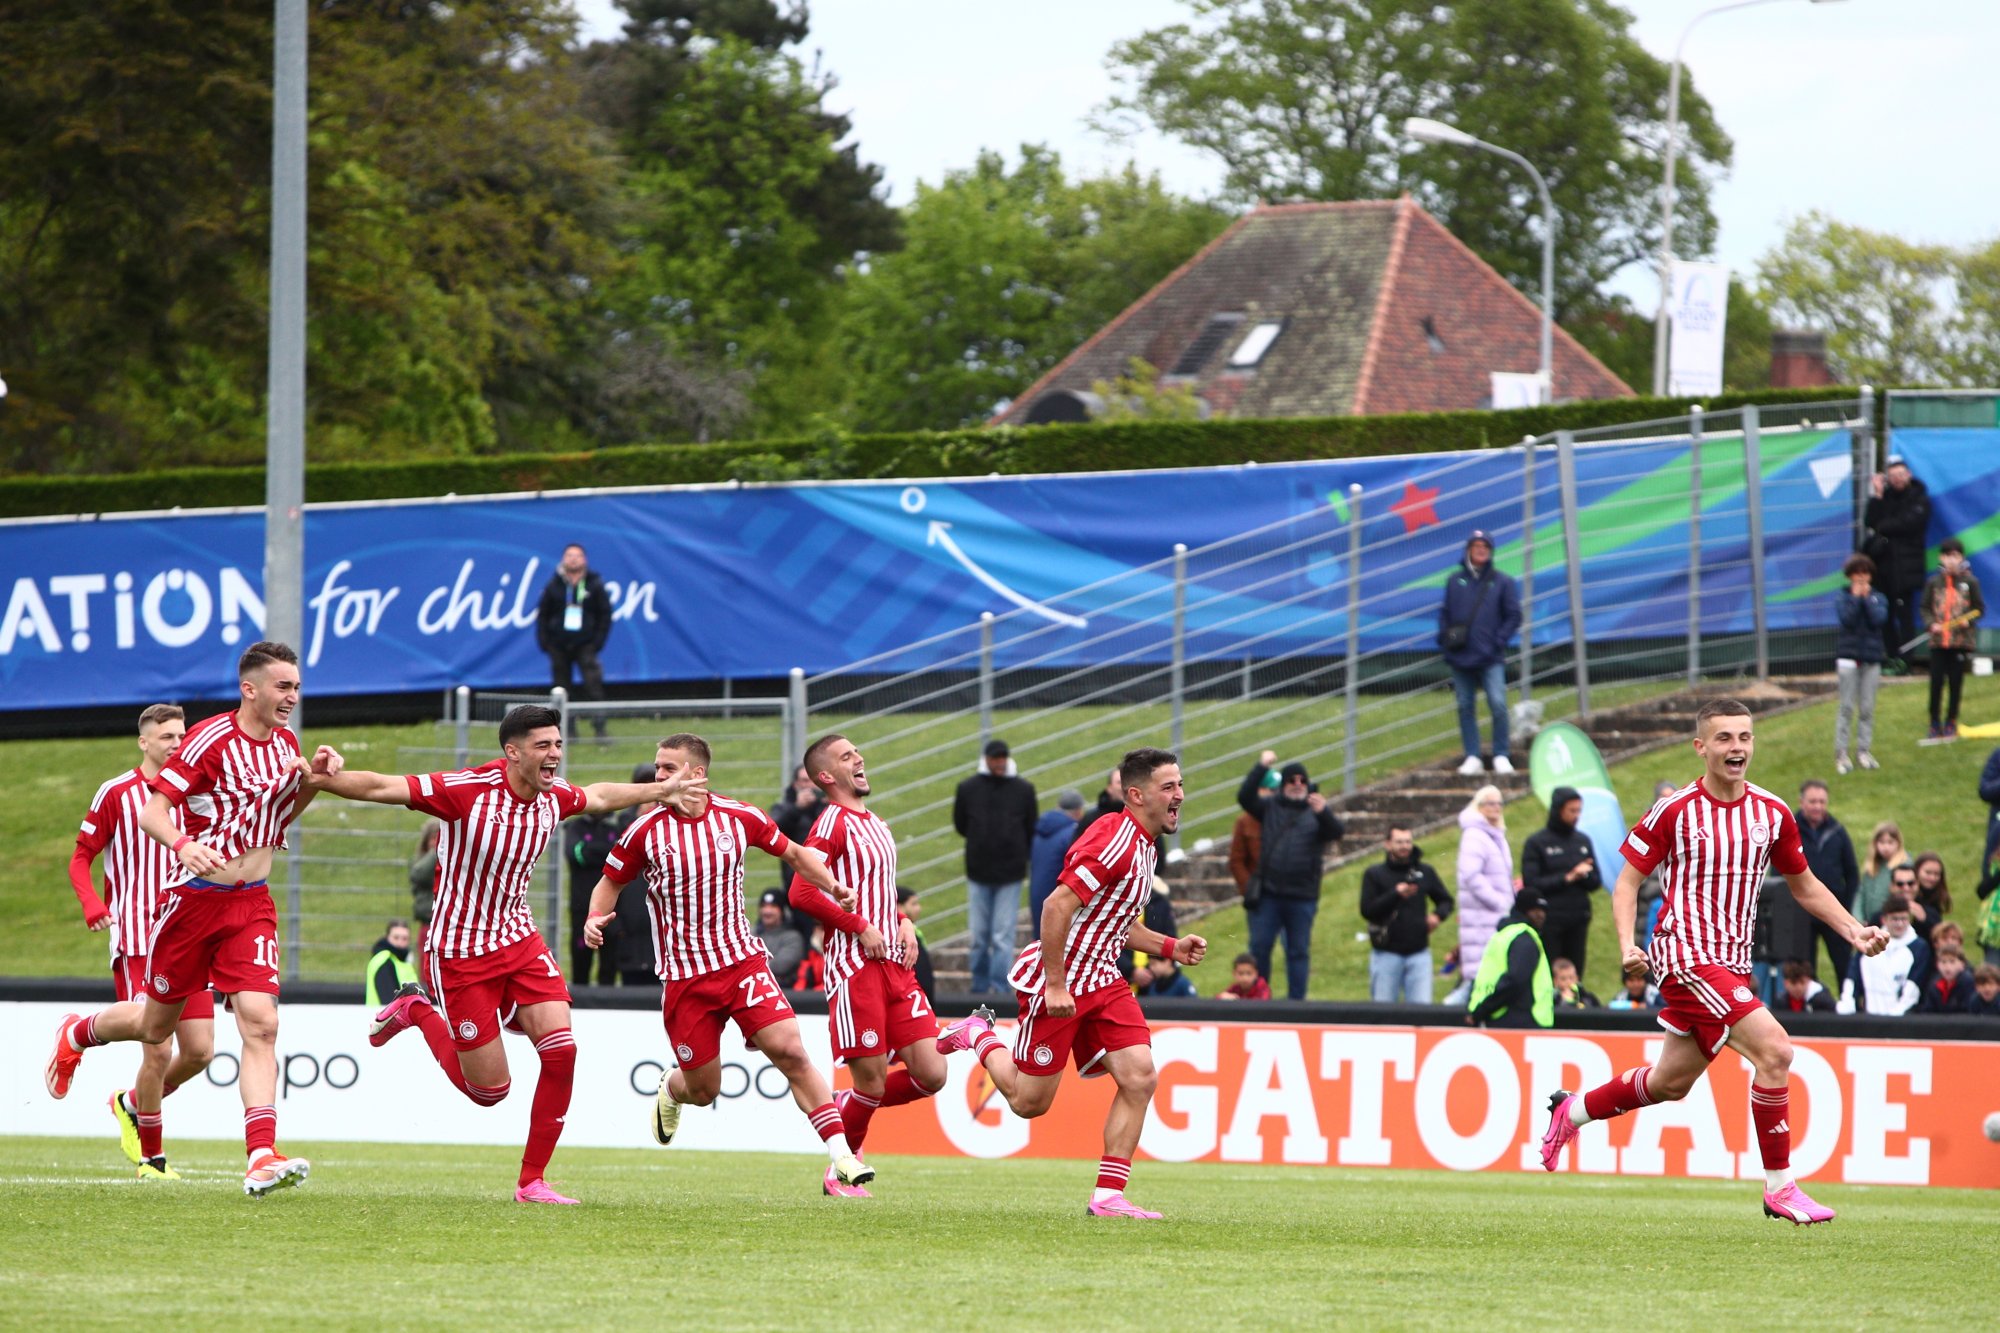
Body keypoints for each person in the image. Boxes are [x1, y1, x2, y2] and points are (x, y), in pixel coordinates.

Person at [304, 704, 703, 1205]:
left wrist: (661, 790)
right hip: (461, 952)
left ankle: (531, 1182)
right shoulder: (467, 791)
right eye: (544, 746)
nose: (555, 754)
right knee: (489, 1093)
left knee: (562, 1050)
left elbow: (600, 795)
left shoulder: (553, 796)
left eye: (558, 744)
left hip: (518, 941)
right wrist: (324, 780)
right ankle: (417, 1009)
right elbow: (385, 787)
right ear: (512, 752)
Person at [1538, 698, 1889, 1226]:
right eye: (1724, 738)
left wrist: (1854, 930)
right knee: (1775, 1050)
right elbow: (1628, 879)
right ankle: (1781, 1188)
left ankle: (1573, 1109)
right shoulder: (1675, 810)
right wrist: (1627, 945)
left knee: (1669, 1084)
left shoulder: (1771, 813)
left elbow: (1805, 885)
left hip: (1731, 964)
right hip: (1684, 954)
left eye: (1744, 737)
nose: (1737, 748)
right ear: (1701, 747)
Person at [46, 642, 323, 1197]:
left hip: (252, 904)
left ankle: (262, 1153)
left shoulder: (288, 743)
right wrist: (183, 845)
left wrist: (312, 780)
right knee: (156, 1029)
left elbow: (280, 814)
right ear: (251, 689)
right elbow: (154, 811)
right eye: (283, 686)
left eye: (296, 686)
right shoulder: (208, 740)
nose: (292, 696)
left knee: (260, 1024)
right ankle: (79, 1031)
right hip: (193, 904)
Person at [580, 731, 874, 1197]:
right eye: (657, 767)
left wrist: (834, 886)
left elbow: (796, 855)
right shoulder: (644, 830)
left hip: (742, 963)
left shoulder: (739, 817)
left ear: (697, 774)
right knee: (704, 1089)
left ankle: (842, 1155)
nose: (658, 777)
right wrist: (594, 919)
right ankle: (672, 1089)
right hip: (685, 978)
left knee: (793, 1052)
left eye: (667, 768)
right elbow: (608, 884)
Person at [935, 748, 1205, 1219]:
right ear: (1136, 794)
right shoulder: (1114, 839)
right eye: (1169, 787)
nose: (1180, 795)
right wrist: (1057, 985)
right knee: (1028, 1103)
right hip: (1059, 979)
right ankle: (979, 1036)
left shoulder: (1144, 844)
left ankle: (1108, 1196)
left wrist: (1169, 947)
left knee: (1140, 1077)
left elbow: (1115, 920)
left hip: (1104, 978)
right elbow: (1056, 906)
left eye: (1180, 784)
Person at [62, 702, 214, 1181]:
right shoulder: (117, 793)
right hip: (139, 934)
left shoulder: (198, 795)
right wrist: (92, 904)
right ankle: (153, 1160)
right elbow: (80, 858)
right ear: (144, 742)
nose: (176, 743)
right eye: (167, 736)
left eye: (181, 735)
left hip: (191, 930)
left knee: (200, 1052)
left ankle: (129, 1103)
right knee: (158, 1046)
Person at [793, 733, 946, 1186]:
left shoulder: (875, 822)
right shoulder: (831, 824)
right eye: (846, 756)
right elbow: (801, 891)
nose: (859, 758)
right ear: (826, 776)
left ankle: (844, 1107)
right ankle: (840, 1172)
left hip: (895, 964)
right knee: (873, 1084)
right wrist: (860, 926)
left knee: (932, 1073)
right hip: (854, 968)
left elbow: (876, 888)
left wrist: (899, 919)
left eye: (857, 752)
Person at [1237, 755, 1344, 1000]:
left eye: (1302, 780)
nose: (1297, 784)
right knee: (1260, 948)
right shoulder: (1270, 806)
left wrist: (1324, 812)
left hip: (1302, 897)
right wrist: (1261, 766)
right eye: (1291, 780)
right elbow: (1244, 797)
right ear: (1283, 784)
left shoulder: (1316, 810)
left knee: (1298, 951)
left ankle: (1297, 1003)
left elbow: (1336, 832)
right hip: (1269, 895)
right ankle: (1259, 998)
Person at [952, 738, 1038, 994]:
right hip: (978, 872)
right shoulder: (968, 788)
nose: (999, 763)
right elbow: (961, 824)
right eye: (995, 758)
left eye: (1003, 758)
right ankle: (979, 987)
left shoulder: (1023, 789)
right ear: (987, 760)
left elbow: (1030, 825)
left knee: (1002, 936)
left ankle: (1001, 989)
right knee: (979, 936)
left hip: (1010, 874)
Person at [1438, 529, 1522, 776]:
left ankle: (1501, 754)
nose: (1480, 550)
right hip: (1461, 656)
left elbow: (1514, 615)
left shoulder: (1502, 581)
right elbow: (1446, 613)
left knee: (1498, 704)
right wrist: (1446, 638)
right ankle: (1472, 755)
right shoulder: (1455, 581)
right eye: (1476, 546)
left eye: (1485, 546)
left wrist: (1498, 640)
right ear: (1468, 550)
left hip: (1490, 656)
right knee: (1465, 705)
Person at [1358, 824, 1453, 1003]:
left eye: (1408, 842)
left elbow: (1446, 900)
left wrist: (1437, 916)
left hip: (1419, 953)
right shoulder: (1374, 874)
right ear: (1388, 844)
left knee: (1421, 1012)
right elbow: (1367, 911)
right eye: (1399, 842)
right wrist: (1395, 894)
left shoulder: (1425, 872)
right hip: (1386, 953)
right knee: (1384, 1013)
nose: (1404, 846)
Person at [534, 542, 612, 738]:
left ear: (584, 559)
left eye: (577, 555)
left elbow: (605, 614)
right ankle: (566, 731)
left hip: (586, 644)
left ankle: (599, 728)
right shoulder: (554, 585)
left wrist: (597, 642)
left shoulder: (594, 584)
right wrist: (546, 642)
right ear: (563, 559)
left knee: (593, 685)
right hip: (559, 645)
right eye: (569, 555)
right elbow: (543, 615)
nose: (573, 559)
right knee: (562, 690)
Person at [1521, 786, 1600, 976]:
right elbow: (1531, 882)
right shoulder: (1537, 843)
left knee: (1575, 973)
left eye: (1578, 810)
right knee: (1548, 973)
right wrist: (1568, 877)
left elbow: (1596, 881)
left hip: (1578, 919)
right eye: (1571, 810)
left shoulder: (1582, 841)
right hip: (1550, 921)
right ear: (1558, 810)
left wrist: (1584, 875)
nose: (1576, 815)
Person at [1862, 454, 1930, 665]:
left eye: (1900, 475)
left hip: (1906, 568)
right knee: (1885, 614)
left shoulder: (1920, 498)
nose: (1897, 479)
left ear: (1908, 474)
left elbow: (1908, 524)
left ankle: (1906, 659)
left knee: (1905, 613)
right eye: (1892, 476)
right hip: (1883, 568)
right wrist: (1878, 495)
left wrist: (1885, 525)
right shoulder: (1885, 498)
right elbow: (1871, 521)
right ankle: (1891, 656)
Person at [1451, 785, 1515, 1005]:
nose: (1496, 807)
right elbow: (1471, 875)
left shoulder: (1494, 834)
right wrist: (1499, 902)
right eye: (1490, 803)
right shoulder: (1475, 835)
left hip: (1493, 917)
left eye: (1499, 803)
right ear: (1479, 806)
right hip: (1482, 918)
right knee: (1478, 979)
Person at [1792, 779, 1858, 982]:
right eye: (1813, 802)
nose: (1818, 807)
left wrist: (1846, 907)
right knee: (1803, 965)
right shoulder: (1790, 829)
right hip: (1801, 913)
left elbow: (1852, 872)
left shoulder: (1837, 831)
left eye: (1822, 802)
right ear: (1802, 802)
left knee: (1843, 963)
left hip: (1833, 909)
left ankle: (1850, 1005)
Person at [1920, 537, 1983, 740]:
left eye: (1955, 555)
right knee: (1936, 682)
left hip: (1960, 643)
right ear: (1941, 558)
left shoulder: (1970, 582)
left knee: (1956, 683)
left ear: (1961, 557)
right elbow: (1924, 607)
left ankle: (1951, 721)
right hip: (1938, 642)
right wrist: (1932, 624)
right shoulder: (1933, 582)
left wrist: (1968, 622)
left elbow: (1979, 609)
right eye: (1948, 556)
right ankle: (1934, 722)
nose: (1952, 560)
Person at [1832, 554, 1887, 774]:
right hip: (1848, 659)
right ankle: (1841, 753)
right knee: (1846, 707)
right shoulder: (1842, 598)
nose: (1861, 578)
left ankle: (1863, 750)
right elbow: (1847, 619)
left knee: (1867, 707)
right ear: (1850, 576)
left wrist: (1866, 600)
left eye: (1865, 573)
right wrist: (1855, 599)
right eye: (1857, 574)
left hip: (1871, 659)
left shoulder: (1878, 598)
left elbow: (1879, 619)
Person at [1468, 889, 1553, 1028]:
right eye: (1535, 910)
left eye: (1543, 911)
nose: (1541, 915)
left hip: (1496, 1015)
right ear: (1523, 911)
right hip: (1519, 1018)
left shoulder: (1503, 935)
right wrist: (1483, 1009)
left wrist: (1481, 1010)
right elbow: (1515, 980)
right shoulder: (1524, 938)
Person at [565, 798, 625, 985]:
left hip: (613, 910)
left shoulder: (615, 828)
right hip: (581, 908)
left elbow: (624, 858)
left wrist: (594, 850)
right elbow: (577, 854)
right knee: (581, 961)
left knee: (609, 964)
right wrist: (609, 853)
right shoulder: (575, 827)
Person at [1838, 896, 1928, 1016]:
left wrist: (1895, 1017)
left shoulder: (1919, 947)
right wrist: (1847, 1006)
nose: (1900, 924)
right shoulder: (1871, 942)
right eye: (1895, 919)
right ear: (1884, 920)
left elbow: (1913, 991)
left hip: (1901, 1021)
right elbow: (1852, 978)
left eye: (1904, 919)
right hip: (1869, 1017)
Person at [1031, 789, 1087, 929]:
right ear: (1079, 811)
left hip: (1037, 896)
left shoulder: (1039, 832)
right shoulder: (1072, 833)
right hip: (1059, 901)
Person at [769, 765, 822, 892]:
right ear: (795, 784)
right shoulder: (783, 808)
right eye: (804, 781)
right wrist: (797, 808)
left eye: (813, 780)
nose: (809, 785)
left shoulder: (828, 806)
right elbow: (772, 831)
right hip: (796, 881)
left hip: (829, 879)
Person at [1853, 822, 1912, 926]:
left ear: (1898, 843)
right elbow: (1861, 893)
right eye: (1881, 842)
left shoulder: (1904, 866)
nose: (1886, 847)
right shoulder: (1871, 866)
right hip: (1871, 922)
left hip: (1892, 923)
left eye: (1890, 842)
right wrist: (1858, 917)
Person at [1227, 770, 1272, 907]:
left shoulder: (1287, 815)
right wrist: (1251, 888)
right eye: (1272, 789)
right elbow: (1236, 860)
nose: (1276, 793)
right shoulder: (1245, 822)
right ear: (1260, 790)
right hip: (1261, 897)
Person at [364, 920, 418, 1011]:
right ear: (387, 937)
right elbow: (389, 1002)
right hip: (386, 1021)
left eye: (405, 938)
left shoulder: (402, 962)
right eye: (396, 937)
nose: (400, 942)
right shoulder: (384, 960)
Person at [754, 889, 806, 982]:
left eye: (773, 906)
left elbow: (782, 965)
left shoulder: (792, 937)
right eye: (763, 906)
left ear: (782, 911)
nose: (767, 911)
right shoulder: (753, 936)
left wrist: (752, 968)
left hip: (786, 990)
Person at [897, 887, 936, 1003]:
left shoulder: (915, 931)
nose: (919, 908)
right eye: (913, 904)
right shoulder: (899, 934)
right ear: (899, 906)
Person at [408, 821, 440, 954]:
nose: (436, 842)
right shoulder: (419, 862)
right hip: (429, 923)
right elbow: (418, 874)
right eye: (433, 838)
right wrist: (437, 852)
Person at [1908, 852, 1951, 941]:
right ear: (1916, 871)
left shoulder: (1938, 898)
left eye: (1936, 874)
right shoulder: (1908, 895)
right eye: (1928, 873)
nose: (1932, 878)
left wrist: (1925, 918)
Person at [1918, 944, 1972, 1013]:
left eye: (1952, 962)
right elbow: (1928, 1009)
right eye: (1943, 962)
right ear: (1937, 965)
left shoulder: (1967, 983)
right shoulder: (1934, 984)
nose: (1947, 967)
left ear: (1962, 964)